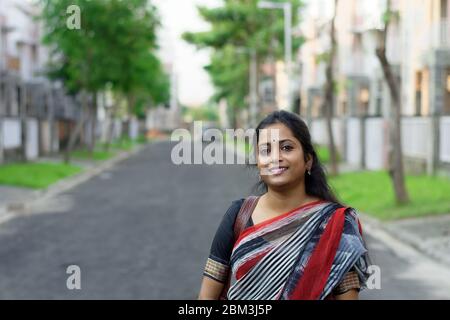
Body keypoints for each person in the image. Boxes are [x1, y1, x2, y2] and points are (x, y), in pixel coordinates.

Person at [198, 110, 369, 300]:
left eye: (287, 148)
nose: (275, 157)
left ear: (308, 160)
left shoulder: (336, 224)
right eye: (265, 151)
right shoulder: (239, 215)